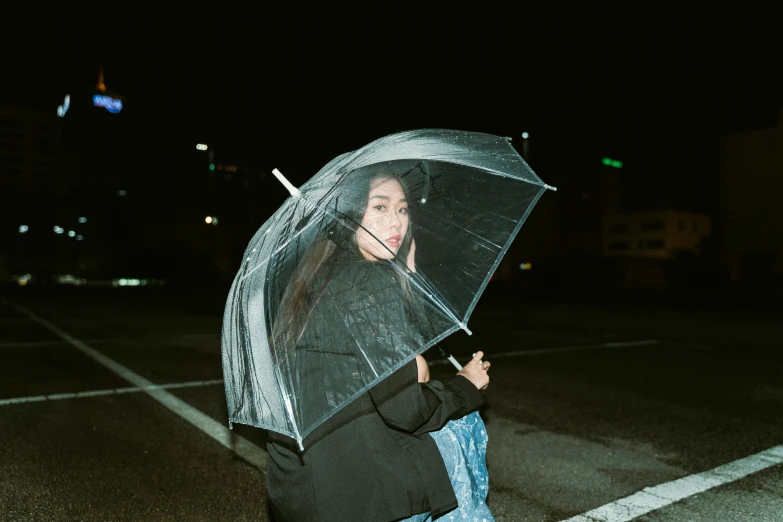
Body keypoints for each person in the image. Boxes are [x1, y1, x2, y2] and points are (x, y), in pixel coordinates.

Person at [265, 166, 492, 522]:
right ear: (348, 215)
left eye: (403, 209)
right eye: (381, 207)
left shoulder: (314, 279)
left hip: (311, 489)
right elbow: (405, 409)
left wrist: (409, 277)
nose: (397, 222)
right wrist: (466, 385)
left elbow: (396, 354)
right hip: (369, 493)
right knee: (460, 428)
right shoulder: (367, 281)